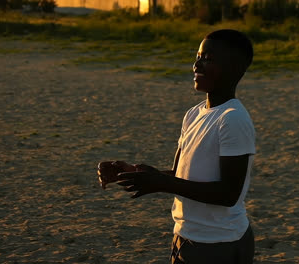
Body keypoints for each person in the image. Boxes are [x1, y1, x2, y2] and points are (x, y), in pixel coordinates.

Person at [97, 29, 256, 264]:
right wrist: (132, 172)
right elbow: (178, 175)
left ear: (236, 67)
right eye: (198, 56)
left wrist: (162, 183)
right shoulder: (193, 114)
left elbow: (228, 193)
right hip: (186, 236)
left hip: (219, 243)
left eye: (208, 59)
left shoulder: (232, 118)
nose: (196, 65)